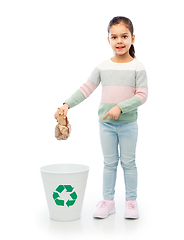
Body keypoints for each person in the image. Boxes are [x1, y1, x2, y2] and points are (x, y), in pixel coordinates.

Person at [54, 16, 148, 219]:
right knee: (109, 163)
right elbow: (86, 88)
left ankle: (131, 202)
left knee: (129, 163)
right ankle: (108, 202)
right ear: (108, 40)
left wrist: (119, 108)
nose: (119, 41)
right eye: (114, 37)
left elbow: (142, 95)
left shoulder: (137, 67)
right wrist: (66, 104)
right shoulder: (102, 67)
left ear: (133, 38)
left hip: (128, 124)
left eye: (124, 36)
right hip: (105, 125)